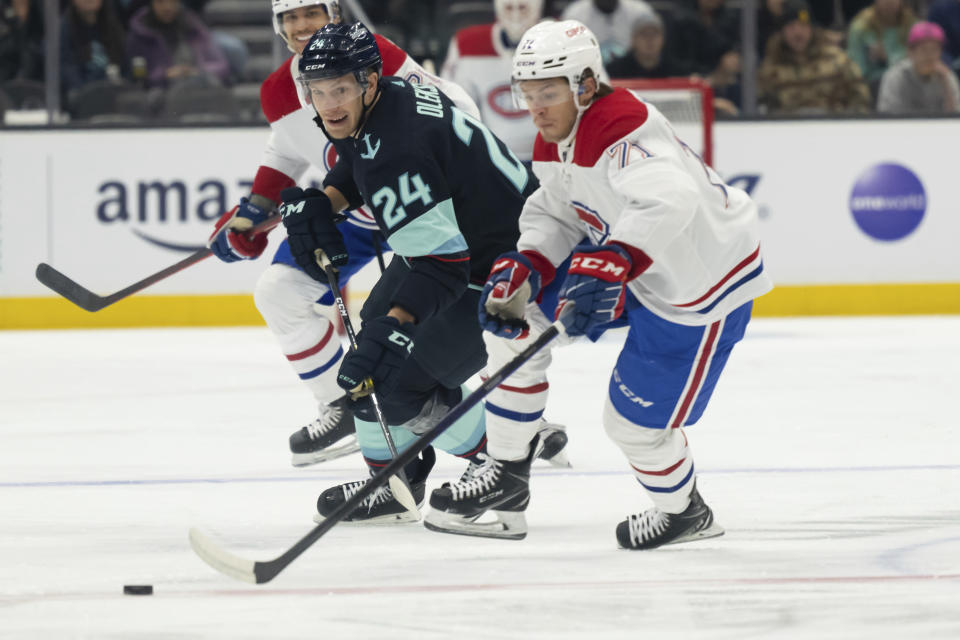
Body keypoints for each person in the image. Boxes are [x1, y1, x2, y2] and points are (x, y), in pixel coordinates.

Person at [424, 19, 773, 550]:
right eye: (527, 94)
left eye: (547, 93)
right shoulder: (556, 137)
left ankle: (685, 513)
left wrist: (614, 259)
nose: (535, 107)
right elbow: (556, 211)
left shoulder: (621, 125)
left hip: (697, 287)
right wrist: (531, 262)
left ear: (585, 84)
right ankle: (508, 474)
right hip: (636, 259)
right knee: (511, 318)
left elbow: (670, 199)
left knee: (631, 426)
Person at [207, 0, 528, 475]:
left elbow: (438, 253)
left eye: (310, 13)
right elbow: (317, 148)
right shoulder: (342, 89)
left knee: (398, 360)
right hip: (403, 205)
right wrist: (301, 201)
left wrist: (399, 324)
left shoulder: (376, 70)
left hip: (462, 234)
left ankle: (503, 453)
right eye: (289, 17)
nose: (300, 25)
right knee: (354, 339)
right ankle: (380, 451)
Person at [276, 21, 565, 524]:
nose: (328, 105)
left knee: (392, 376)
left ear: (367, 80)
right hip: (477, 247)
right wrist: (327, 202)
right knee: (374, 348)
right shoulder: (391, 98)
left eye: (340, 89)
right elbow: (357, 158)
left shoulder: (399, 149)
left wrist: (399, 325)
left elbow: (442, 267)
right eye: (317, 92)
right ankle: (393, 483)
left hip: (504, 272)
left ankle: (500, 467)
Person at [441, 0, 545, 162]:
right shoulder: (466, 44)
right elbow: (454, 108)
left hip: (553, 159)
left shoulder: (564, 38)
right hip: (493, 160)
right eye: (510, 7)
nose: (516, 14)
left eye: (522, 7)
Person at [758, 0, 872, 114]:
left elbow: (860, 96)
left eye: (803, 25)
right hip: (790, 128)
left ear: (812, 28)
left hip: (834, 125)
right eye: (791, 26)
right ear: (782, 32)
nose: (798, 32)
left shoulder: (836, 60)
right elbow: (762, 108)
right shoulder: (771, 69)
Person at [126, 0, 229, 88]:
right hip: (162, 94)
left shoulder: (194, 28)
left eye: (172, 1)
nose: (167, 7)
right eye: (161, 2)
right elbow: (139, 79)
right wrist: (165, 75)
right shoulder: (139, 36)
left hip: (199, 86)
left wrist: (196, 71)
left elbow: (221, 65)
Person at [877, 20, 960, 113]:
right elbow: (886, 117)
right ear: (910, 52)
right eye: (924, 49)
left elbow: (955, 117)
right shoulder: (895, 77)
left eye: (934, 49)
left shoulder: (947, 76)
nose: (929, 55)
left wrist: (946, 86)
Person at [60, 0, 129, 96]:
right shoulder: (62, 31)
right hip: (82, 100)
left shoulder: (114, 26)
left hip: (117, 97)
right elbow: (68, 72)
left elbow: (126, 67)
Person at [846, 0, 916, 95]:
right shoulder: (861, 28)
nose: (889, 2)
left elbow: (918, 63)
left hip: (908, 83)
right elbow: (856, 68)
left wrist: (887, 58)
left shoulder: (914, 26)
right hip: (872, 84)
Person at [561, 0, 656, 64]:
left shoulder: (640, 11)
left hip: (632, 72)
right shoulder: (574, 15)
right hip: (590, 71)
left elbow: (655, 43)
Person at [606, 10, 687, 79]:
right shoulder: (614, 72)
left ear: (663, 39)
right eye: (644, 34)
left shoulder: (679, 73)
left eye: (654, 34)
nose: (649, 39)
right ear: (633, 39)